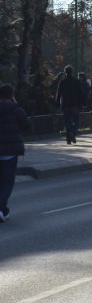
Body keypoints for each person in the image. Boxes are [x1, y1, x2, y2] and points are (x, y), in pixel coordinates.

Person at [0, 84, 30, 223]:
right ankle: (1, 208)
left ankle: (3, 210)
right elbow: (27, 126)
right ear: (12, 95)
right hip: (10, 151)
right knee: (7, 182)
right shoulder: (16, 109)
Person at [55, 66, 84, 144]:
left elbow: (59, 93)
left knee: (67, 121)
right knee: (76, 121)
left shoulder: (62, 82)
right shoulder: (76, 81)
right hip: (75, 104)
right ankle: (73, 133)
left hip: (65, 104)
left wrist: (57, 103)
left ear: (65, 72)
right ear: (72, 72)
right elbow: (80, 94)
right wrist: (81, 104)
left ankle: (68, 138)